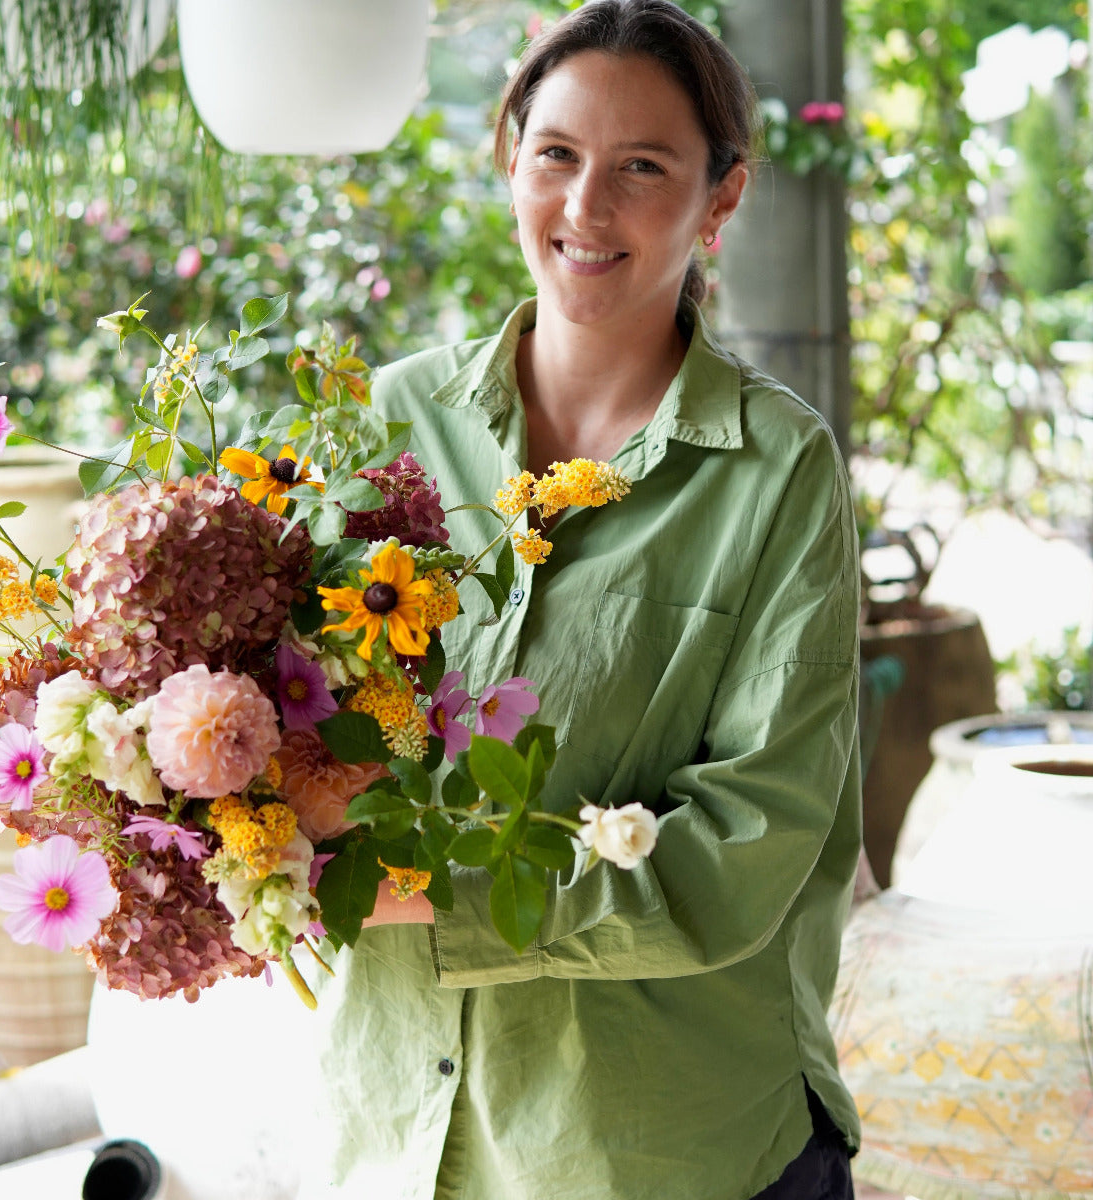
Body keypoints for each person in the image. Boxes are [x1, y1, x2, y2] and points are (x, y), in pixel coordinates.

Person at [304, 3, 863, 1197]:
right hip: (395, 1136)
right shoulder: (383, 425)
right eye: (555, 154)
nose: (584, 208)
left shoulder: (778, 470)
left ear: (722, 199)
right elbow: (288, 707)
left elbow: (746, 847)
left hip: (669, 1148)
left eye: (642, 169)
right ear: (511, 155)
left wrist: (417, 899)